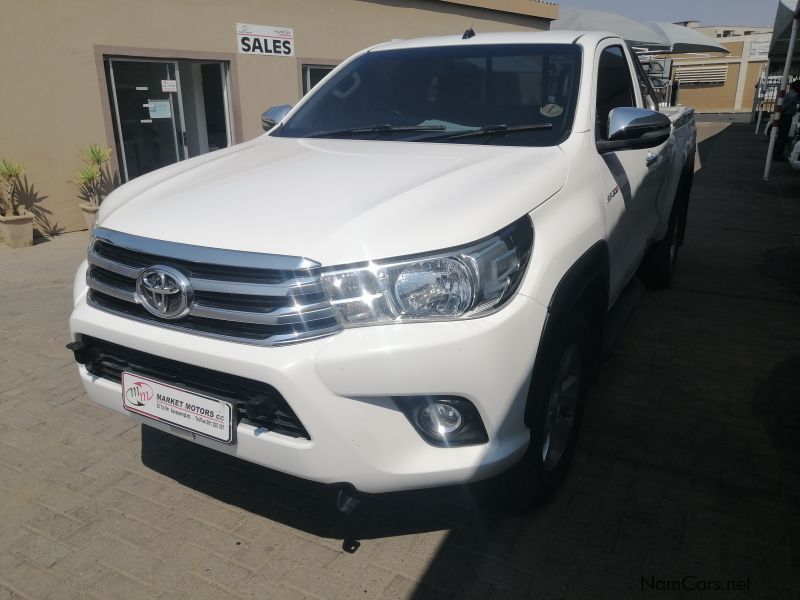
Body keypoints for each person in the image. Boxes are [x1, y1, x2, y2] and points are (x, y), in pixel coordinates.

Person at [774, 80, 800, 162]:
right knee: (782, 137)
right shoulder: (792, 96)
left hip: (786, 117)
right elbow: (784, 107)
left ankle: (777, 154)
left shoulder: (791, 94)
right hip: (786, 117)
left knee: (782, 137)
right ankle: (777, 155)